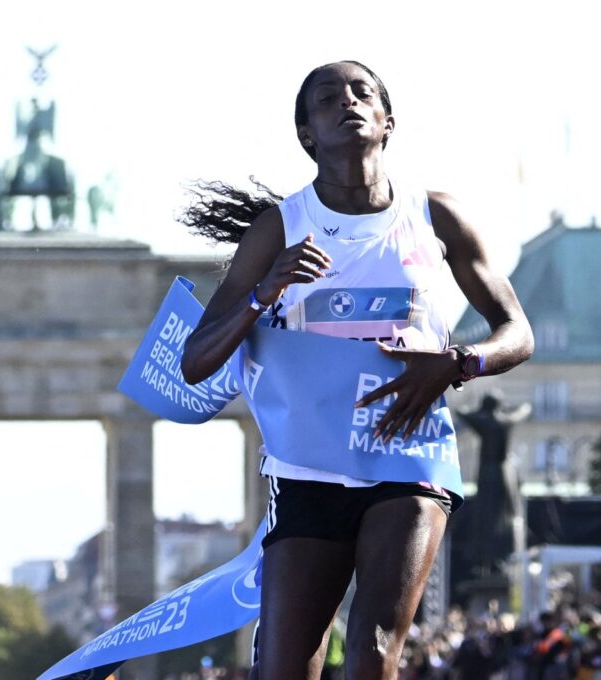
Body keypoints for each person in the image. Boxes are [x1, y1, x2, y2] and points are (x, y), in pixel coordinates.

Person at [180, 61, 533, 679]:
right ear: (307, 134)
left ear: (387, 122)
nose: (347, 102)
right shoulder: (279, 228)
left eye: (362, 93)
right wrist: (265, 291)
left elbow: (517, 331)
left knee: (371, 653)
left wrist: (455, 364)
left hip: (406, 451)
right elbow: (195, 360)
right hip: (308, 464)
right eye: (326, 99)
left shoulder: (436, 216)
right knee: (282, 667)